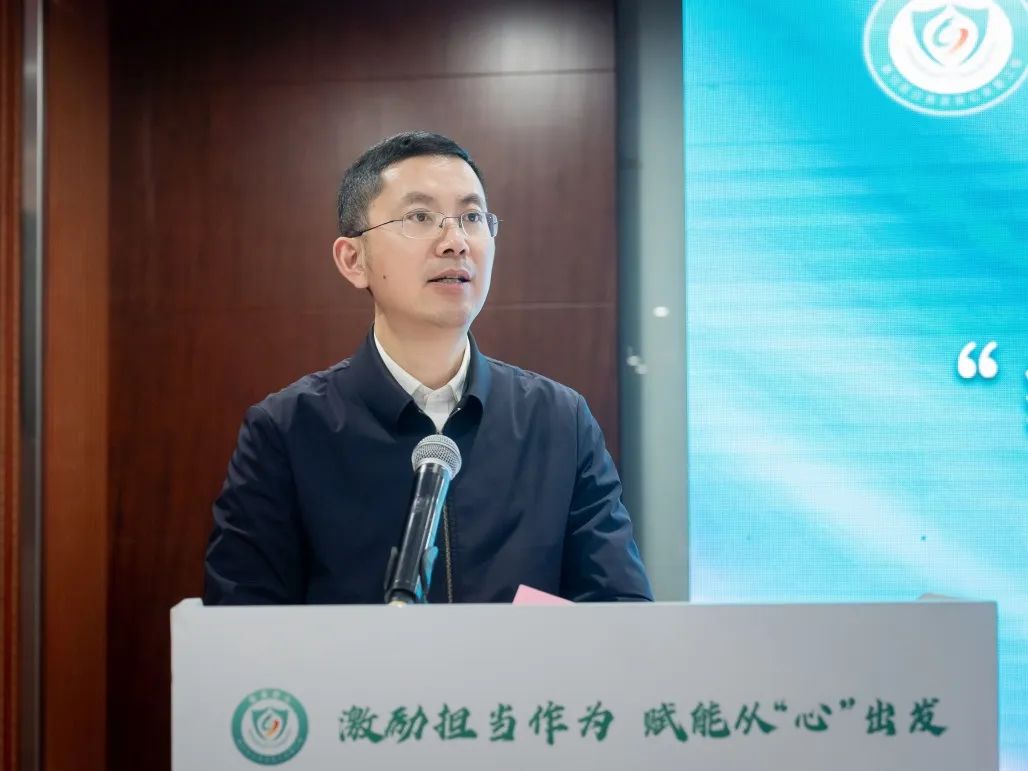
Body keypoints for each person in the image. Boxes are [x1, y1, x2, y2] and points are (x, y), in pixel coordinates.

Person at [203, 131, 652, 605]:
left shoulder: (560, 423)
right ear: (353, 260)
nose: (456, 242)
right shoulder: (287, 431)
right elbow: (242, 625)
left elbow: (620, 614)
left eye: (472, 217)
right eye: (420, 217)